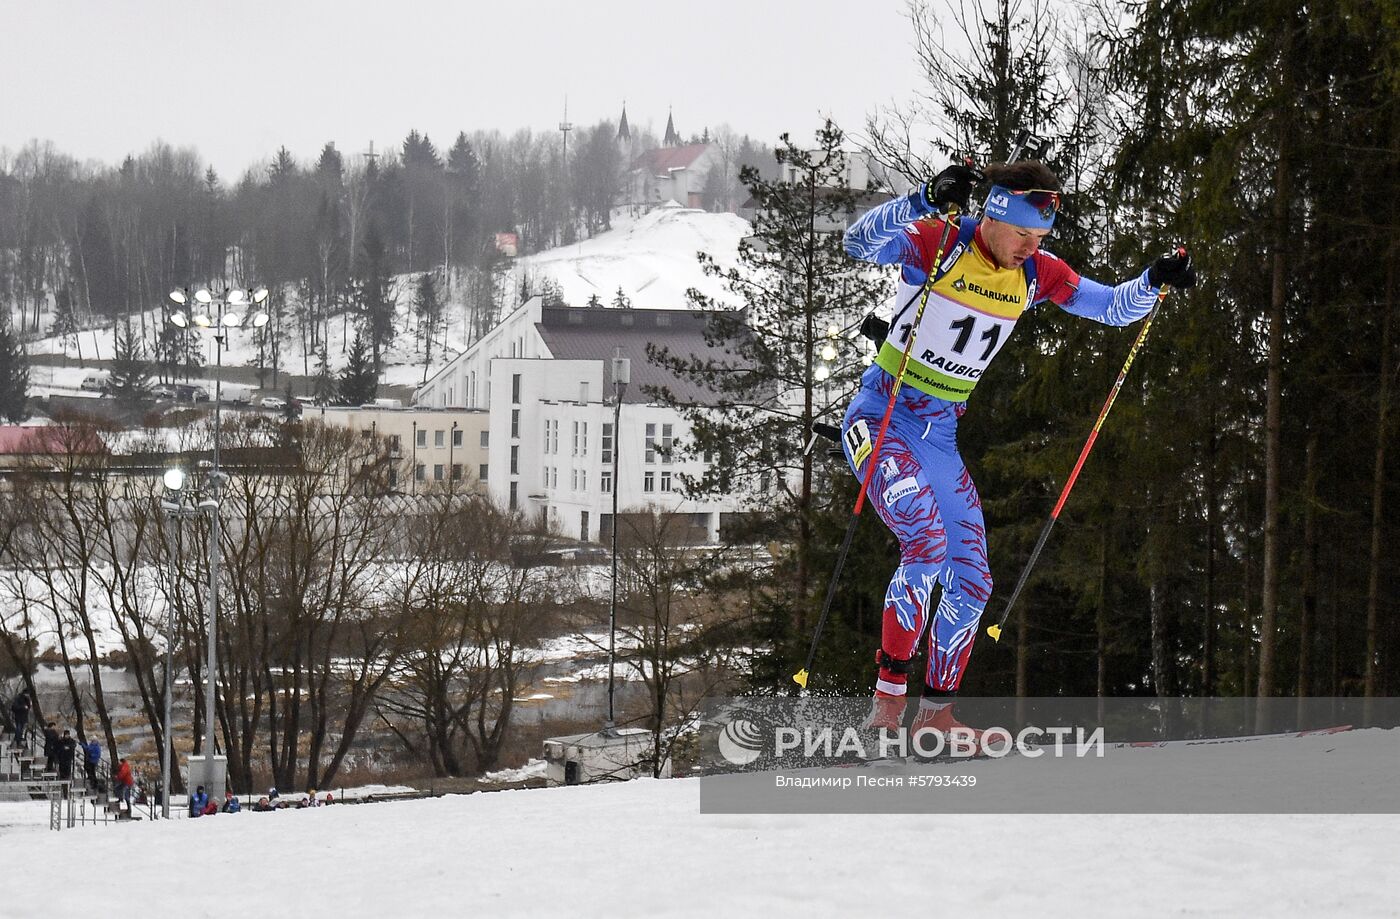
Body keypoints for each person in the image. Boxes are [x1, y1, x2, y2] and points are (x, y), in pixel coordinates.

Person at [841, 159, 1196, 740]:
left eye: (1041, 238)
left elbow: (1109, 306)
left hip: (941, 436)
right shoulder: (943, 243)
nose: (1031, 247)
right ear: (993, 215)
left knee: (972, 577)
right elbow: (859, 243)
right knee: (924, 545)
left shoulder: (1035, 274)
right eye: (1024, 234)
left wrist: (1154, 279)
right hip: (884, 418)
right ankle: (885, 709)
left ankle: (937, 718)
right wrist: (923, 198)